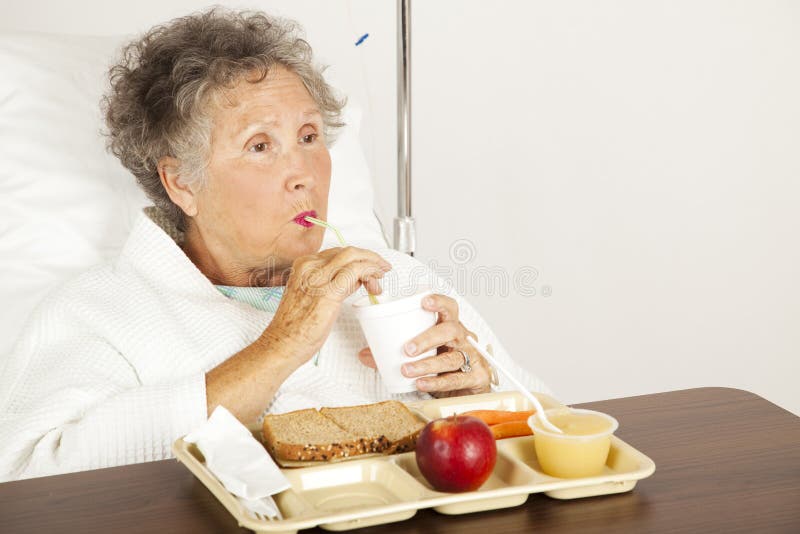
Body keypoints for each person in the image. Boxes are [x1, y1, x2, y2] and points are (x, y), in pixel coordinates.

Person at [0, 8, 548, 482]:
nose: (303, 173)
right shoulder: (95, 312)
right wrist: (281, 346)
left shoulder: (399, 282)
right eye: (261, 145)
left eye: (310, 137)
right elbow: (28, 482)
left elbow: (555, 431)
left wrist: (480, 396)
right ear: (182, 183)